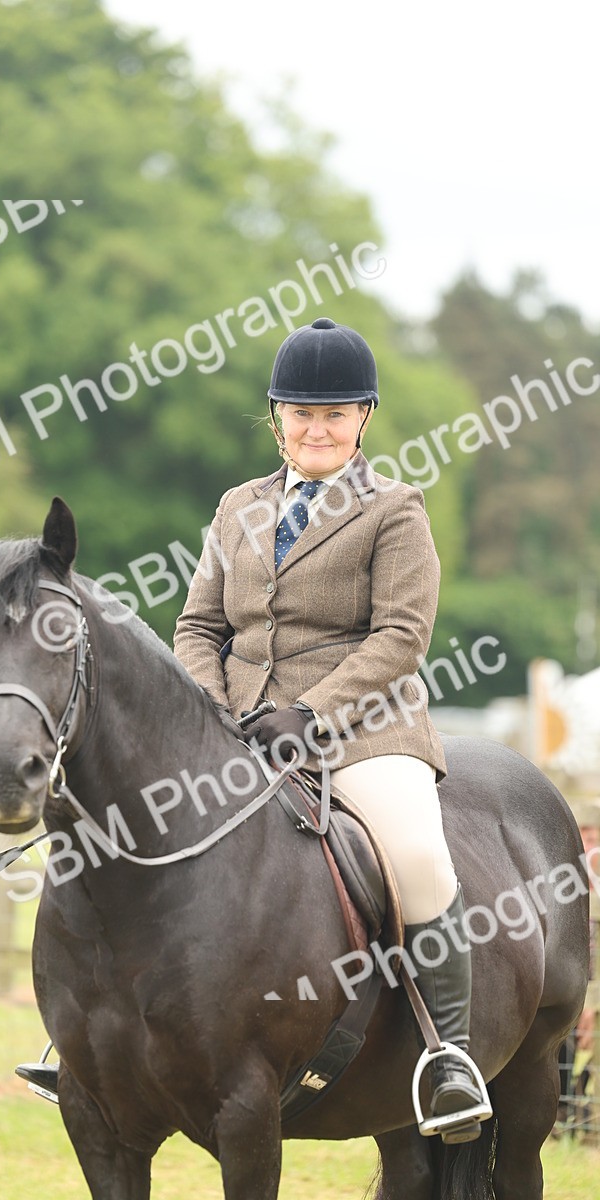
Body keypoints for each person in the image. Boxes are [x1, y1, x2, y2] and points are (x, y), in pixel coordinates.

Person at [173, 316, 489, 1140]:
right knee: (144, 827)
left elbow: (401, 637)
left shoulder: (395, 509)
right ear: (276, 416)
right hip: (242, 726)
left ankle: (448, 1058)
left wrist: (310, 714)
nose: (317, 429)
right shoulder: (237, 508)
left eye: (335, 415)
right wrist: (219, 713)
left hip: (364, 729)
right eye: (302, 414)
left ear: (364, 418)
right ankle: (104, 1039)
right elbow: (198, 626)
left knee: (416, 858)